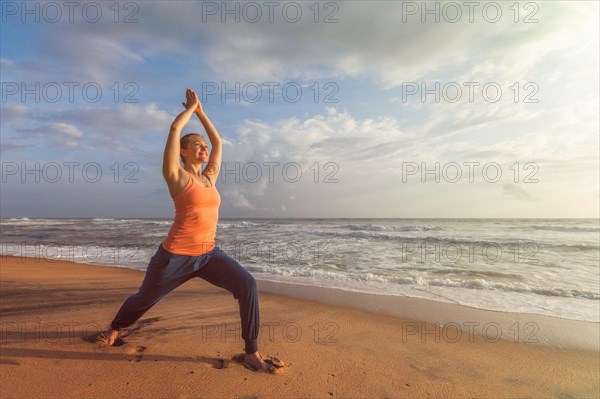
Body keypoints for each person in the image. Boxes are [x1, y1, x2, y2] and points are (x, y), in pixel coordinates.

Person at [100, 88, 273, 372]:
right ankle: (115, 327)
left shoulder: (209, 177)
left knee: (248, 284)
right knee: (144, 299)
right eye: (197, 145)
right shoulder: (176, 176)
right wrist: (190, 111)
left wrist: (202, 113)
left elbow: (218, 141)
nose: (204, 149)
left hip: (208, 254)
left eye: (204, 146)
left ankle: (252, 352)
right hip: (175, 257)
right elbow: (174, 127)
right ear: (183, 152)